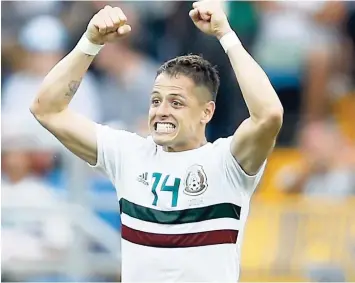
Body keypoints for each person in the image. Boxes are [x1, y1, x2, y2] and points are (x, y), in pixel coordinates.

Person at [30, 1, 283, 282]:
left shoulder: (227, 163)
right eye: (155, 100)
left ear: (207, 112)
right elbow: (47, 109)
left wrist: (226, 35)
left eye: (176, 102)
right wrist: (90, 42)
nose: (162, 110)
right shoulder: (127, 154)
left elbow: (269, 115)